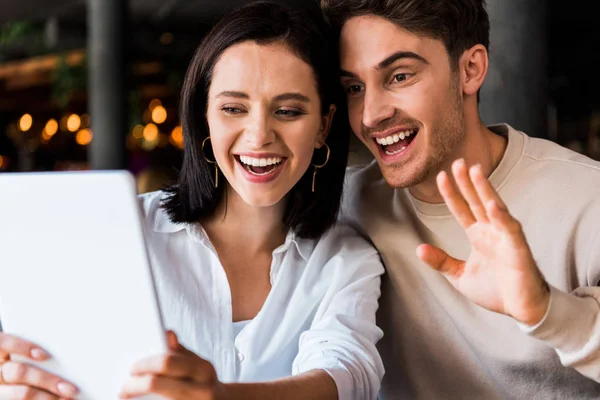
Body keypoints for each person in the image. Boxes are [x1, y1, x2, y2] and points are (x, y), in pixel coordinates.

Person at [0, 2, 385, 399]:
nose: (258, 136)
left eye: (287, 111)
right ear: (203, 118)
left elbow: (348, 375)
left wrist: (220, 396)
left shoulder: (344, 259)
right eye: (233, 108)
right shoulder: (119, 235)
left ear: (323, 125)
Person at [320, 0, 600, 398]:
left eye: (399, 76)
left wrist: (545, 311)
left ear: (470, 70)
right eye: (354, 88)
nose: (370, 115)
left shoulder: (587, 197)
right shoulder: (345, 208)